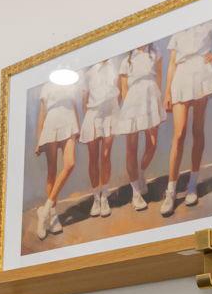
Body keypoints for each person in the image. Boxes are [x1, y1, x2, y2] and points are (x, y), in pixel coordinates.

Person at [160, 17, 212, 217]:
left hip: (201, 74)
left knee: (197, 130)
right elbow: (172, 63)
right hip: (181, 77)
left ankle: (192, 184)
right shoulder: (178, 29)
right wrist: (167, 93)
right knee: (179, 133)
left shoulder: (208, 22)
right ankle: (171, 191)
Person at [111, 44, 165, 212]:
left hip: (151, 98)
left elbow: (159, 78)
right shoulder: (126, 61)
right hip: (133, 102)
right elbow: (124, 89)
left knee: (153, 144)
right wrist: (128, 110)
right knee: (131, 149)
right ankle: (135, 192)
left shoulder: (156, 52)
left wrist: (158, 100)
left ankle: (141, 173)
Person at [32, 73, 82, 239]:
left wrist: (78, 126)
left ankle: (44, 211)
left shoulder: (71, 84)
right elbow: (42, 113)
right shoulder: (46, 87)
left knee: (70, 164)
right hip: (51, 124)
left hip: (69, 121)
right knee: (52, 170)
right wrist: (39, 139)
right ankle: (52, 216)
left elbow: (74, 105)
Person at [78, 54, 123, 218]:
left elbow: (120, 91)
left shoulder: (115, 64)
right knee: (93, 158)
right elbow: (84, 99)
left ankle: (105, 196)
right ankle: (96, 198)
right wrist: (88, 118)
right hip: (93, 114)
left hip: (111, 112)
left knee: (105, 156)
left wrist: (116, 110)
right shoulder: (88, 71)